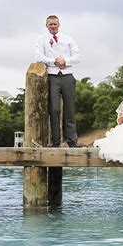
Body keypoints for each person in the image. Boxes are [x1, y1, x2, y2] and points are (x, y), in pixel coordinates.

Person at [35, 15, 82, 147]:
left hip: (67, 75)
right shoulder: (41, 39)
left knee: (70, 109)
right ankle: (55, 141)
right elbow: (38, 57)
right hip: (52, 76)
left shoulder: (68, 39)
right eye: (50, 24)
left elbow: (77, 56)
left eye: (55, 24)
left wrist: (65, 61)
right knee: (54, 109)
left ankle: (72, 141)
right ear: (46, 25)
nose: (53, 26)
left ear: (59, 24)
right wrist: (54, 62)